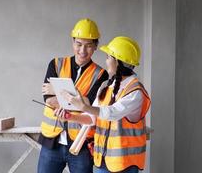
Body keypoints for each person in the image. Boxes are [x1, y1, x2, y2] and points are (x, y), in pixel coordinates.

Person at [56, 36, 151, 173]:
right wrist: (70, 117)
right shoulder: (106, 87)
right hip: (102, 161)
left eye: (108, 57)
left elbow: (112, 113)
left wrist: (84, 106)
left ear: (117, 62)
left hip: (124, 165)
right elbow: (92, 118)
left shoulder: (135, 91)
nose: (106, 62)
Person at [38, 18, 109, 173]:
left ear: (96, 46)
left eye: (88, 45)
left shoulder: (101, 75)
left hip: (81, 144)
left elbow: (88, 104)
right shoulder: (56, 64)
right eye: (79, 44)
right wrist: (78, 101)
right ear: (73, 42)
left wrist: (57, 91)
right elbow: (48, 98)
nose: (82, 50)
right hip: (52, 142)